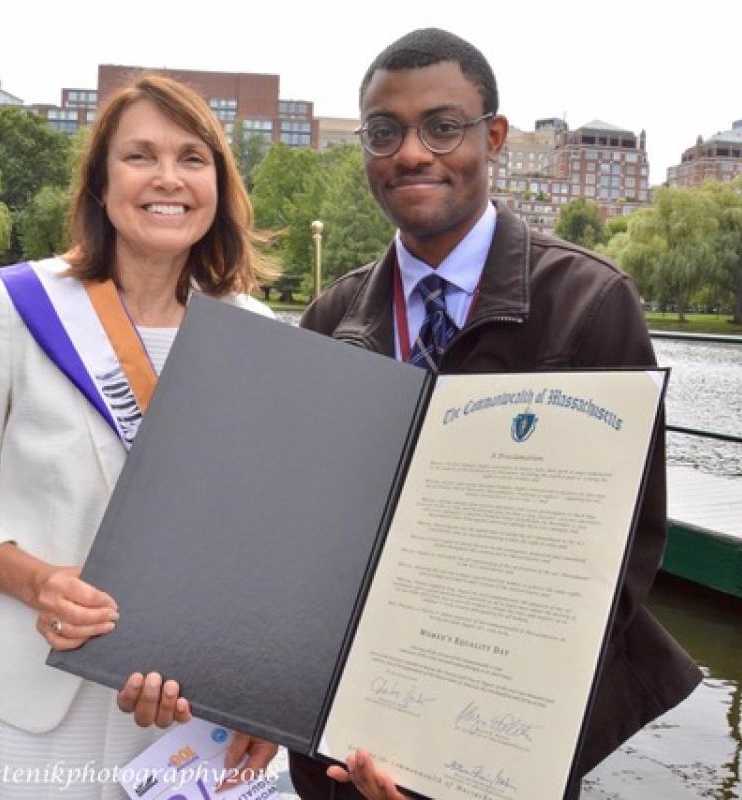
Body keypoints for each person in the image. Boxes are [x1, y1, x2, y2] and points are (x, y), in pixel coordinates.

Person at [291, 28, 702, 800]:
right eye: (385, 132)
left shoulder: (590, 303)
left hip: (496, 756)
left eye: (443, 126)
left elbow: (620, 558)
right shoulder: (330, 318)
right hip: (340, 748)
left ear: (496, 137)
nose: (412, 152)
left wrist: (465, 748)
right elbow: (299, 544)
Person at [0, 75, 277, 797]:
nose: (168, 179)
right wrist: (39, 583)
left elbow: (261, 544)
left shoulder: (255, 334)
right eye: (140, 157)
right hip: (20, 706)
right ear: (99, 183)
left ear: (218, 184)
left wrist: (258, 695)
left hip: (180, 715)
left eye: (193, 158)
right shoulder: (13, 304)